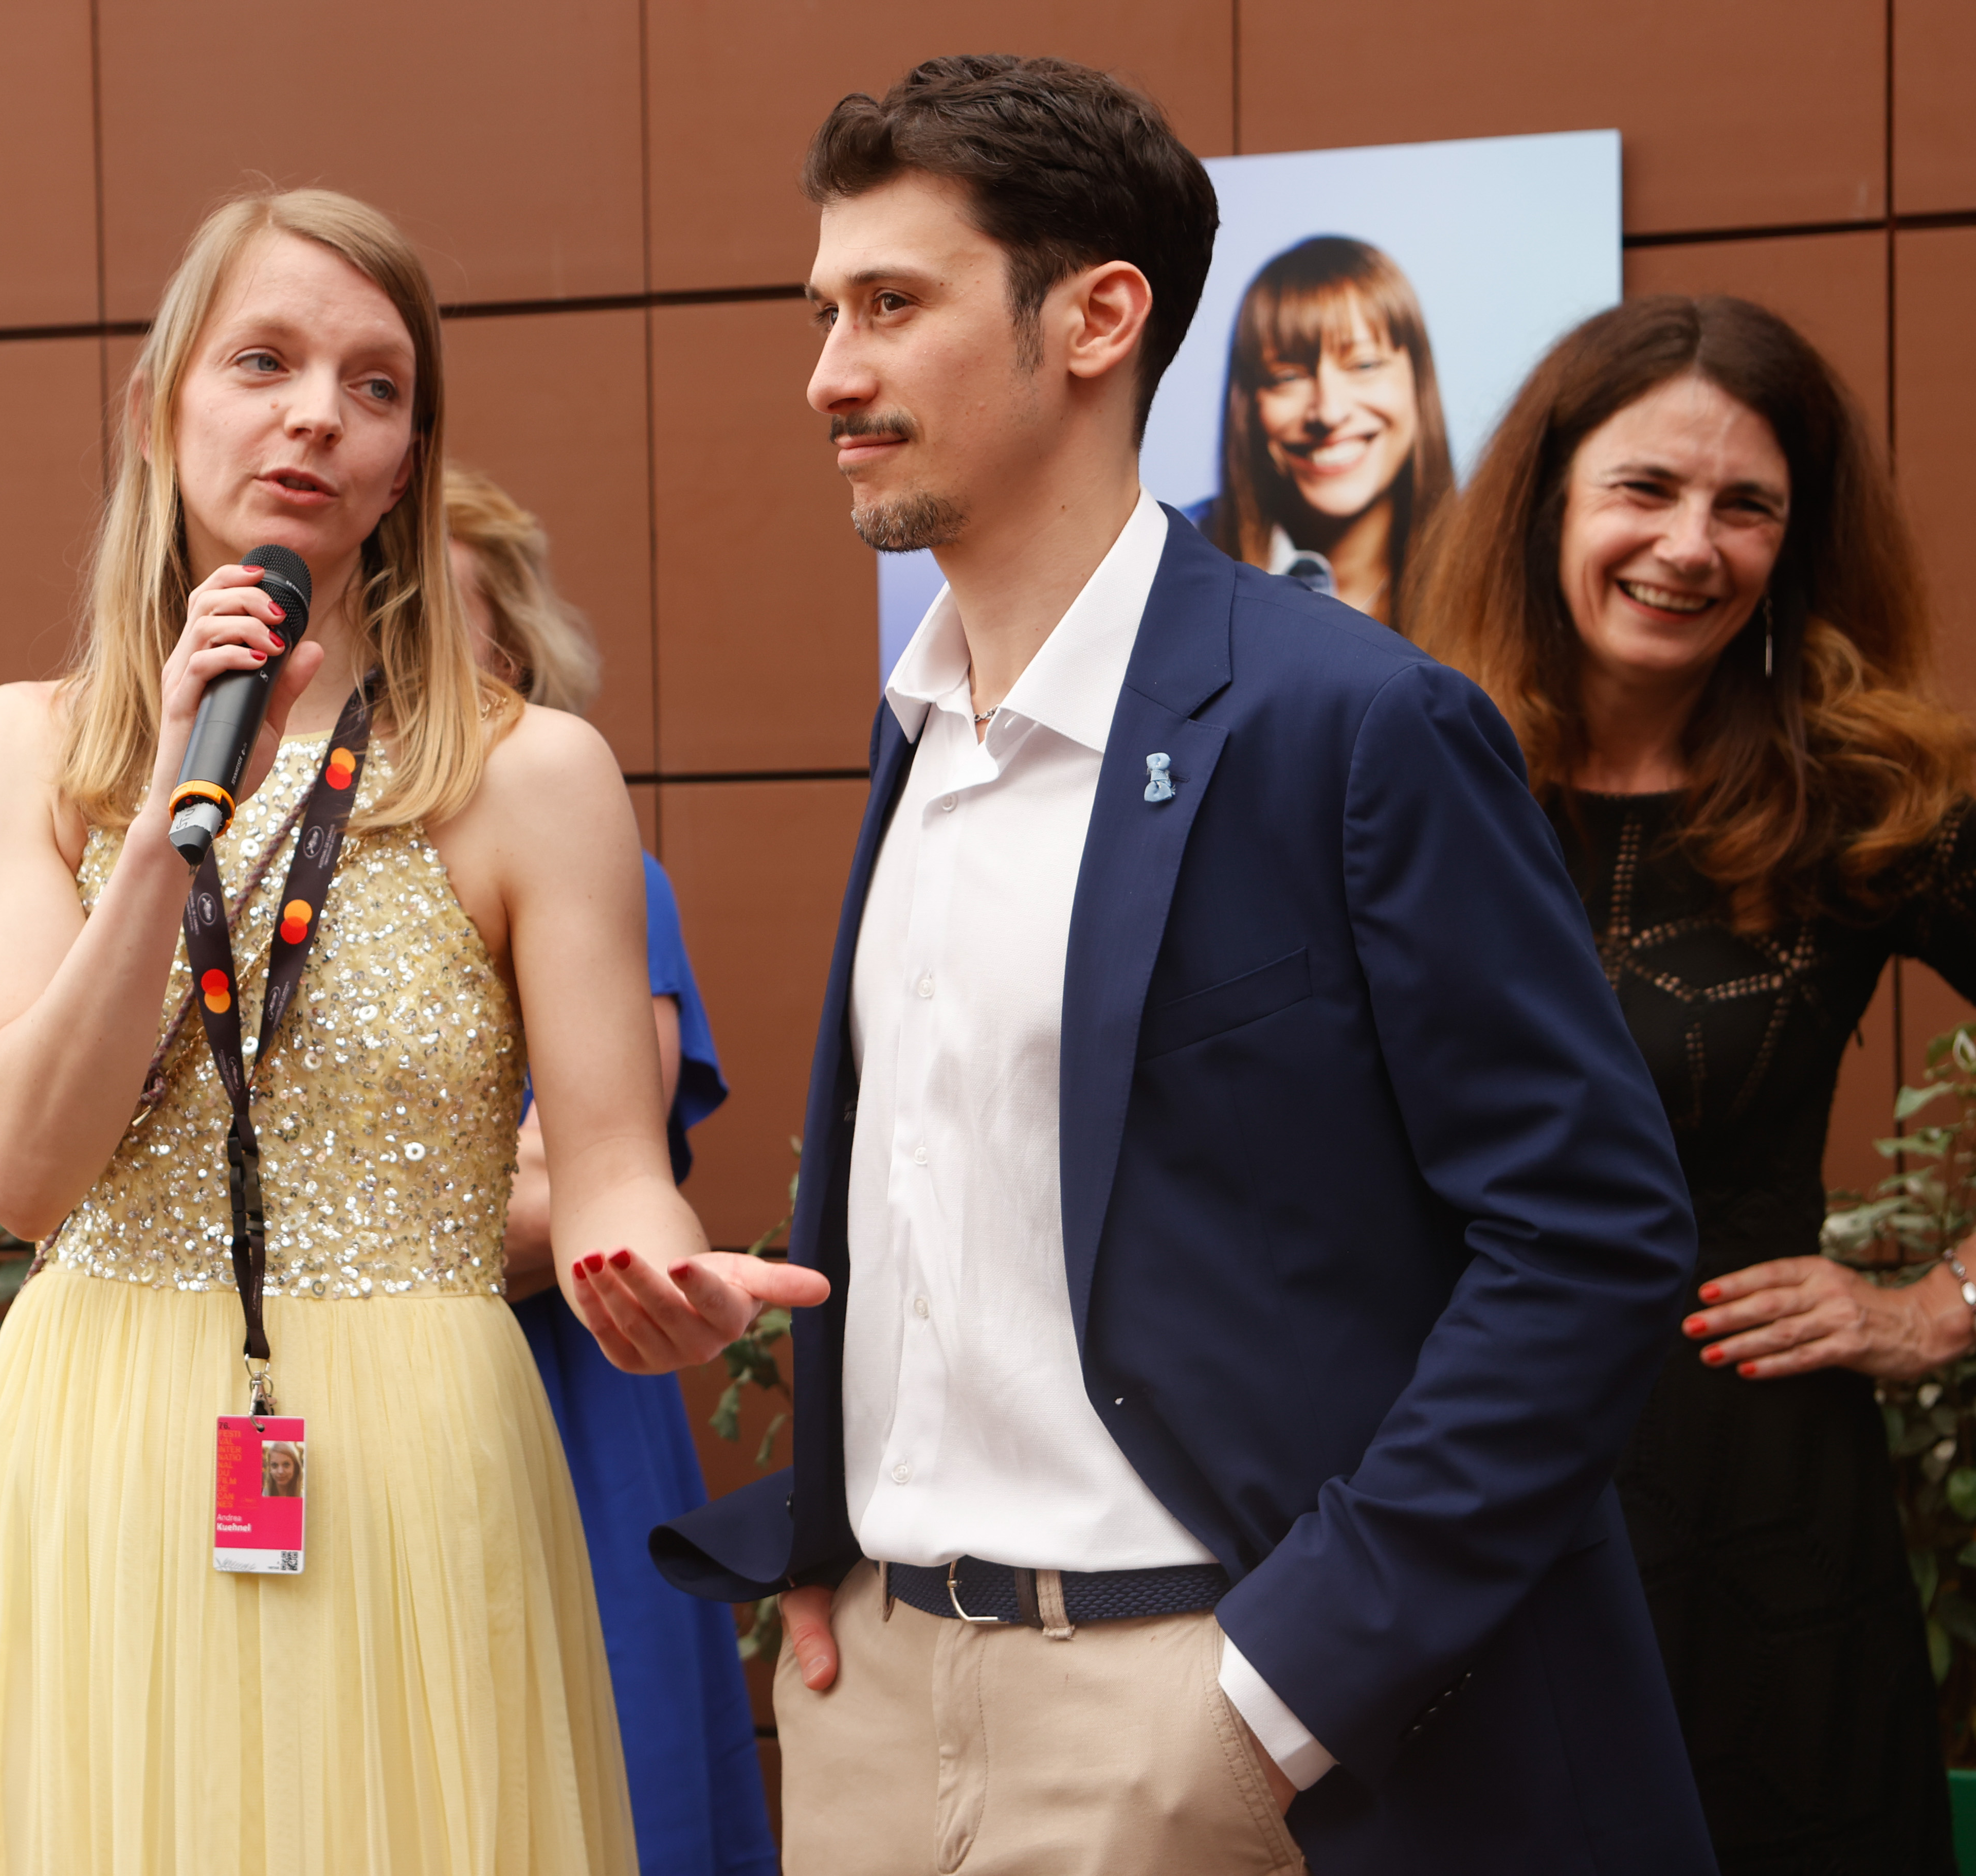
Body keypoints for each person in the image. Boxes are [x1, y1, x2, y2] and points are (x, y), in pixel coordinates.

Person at [644, 56, 1714, 1874]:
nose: (829, 371)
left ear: (1098, 317)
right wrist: (833, 1548)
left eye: (892, 306)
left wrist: (1274, 1692)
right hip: (872, 1708)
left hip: (1199, 1713)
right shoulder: (917, 735)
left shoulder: (1361, 726)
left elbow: (1592, 1239)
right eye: (826, 311)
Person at [0, 189, 820, 1875]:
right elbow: (26, 1167)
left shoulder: (533, 774)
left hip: (415, 1445)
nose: (319, 409)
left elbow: (617, 1168)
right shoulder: (28, 749)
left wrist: (661, 1272)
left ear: (407, 460)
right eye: (265, 359)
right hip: (97, 1432)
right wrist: (182, 815)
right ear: (161, 403)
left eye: (375, 384)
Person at [1406, 293, 1975, 1872]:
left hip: (1761, 1527)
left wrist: (1940, 1304)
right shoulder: (1393, 765)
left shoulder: (1865, 796)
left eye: (1748, 507)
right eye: (1646, 489)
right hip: (1443, 1493)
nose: (1692, 544)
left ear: (1795, 544)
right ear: (1550, 502)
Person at [445, 462, 777, 1876]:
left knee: (600, 1801)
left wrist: (298, 1206)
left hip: (564, 1422)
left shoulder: (602, 871)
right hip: (351, 1433)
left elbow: (573, 1197)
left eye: (414, 610)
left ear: (507, 659)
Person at [1198, 237, 1452, 624]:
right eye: (1287, 377)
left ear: (1419, 381)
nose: (1329, 412)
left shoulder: (1501, 568)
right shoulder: (1174, 559)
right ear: (1248, 405)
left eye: (1364, 366)